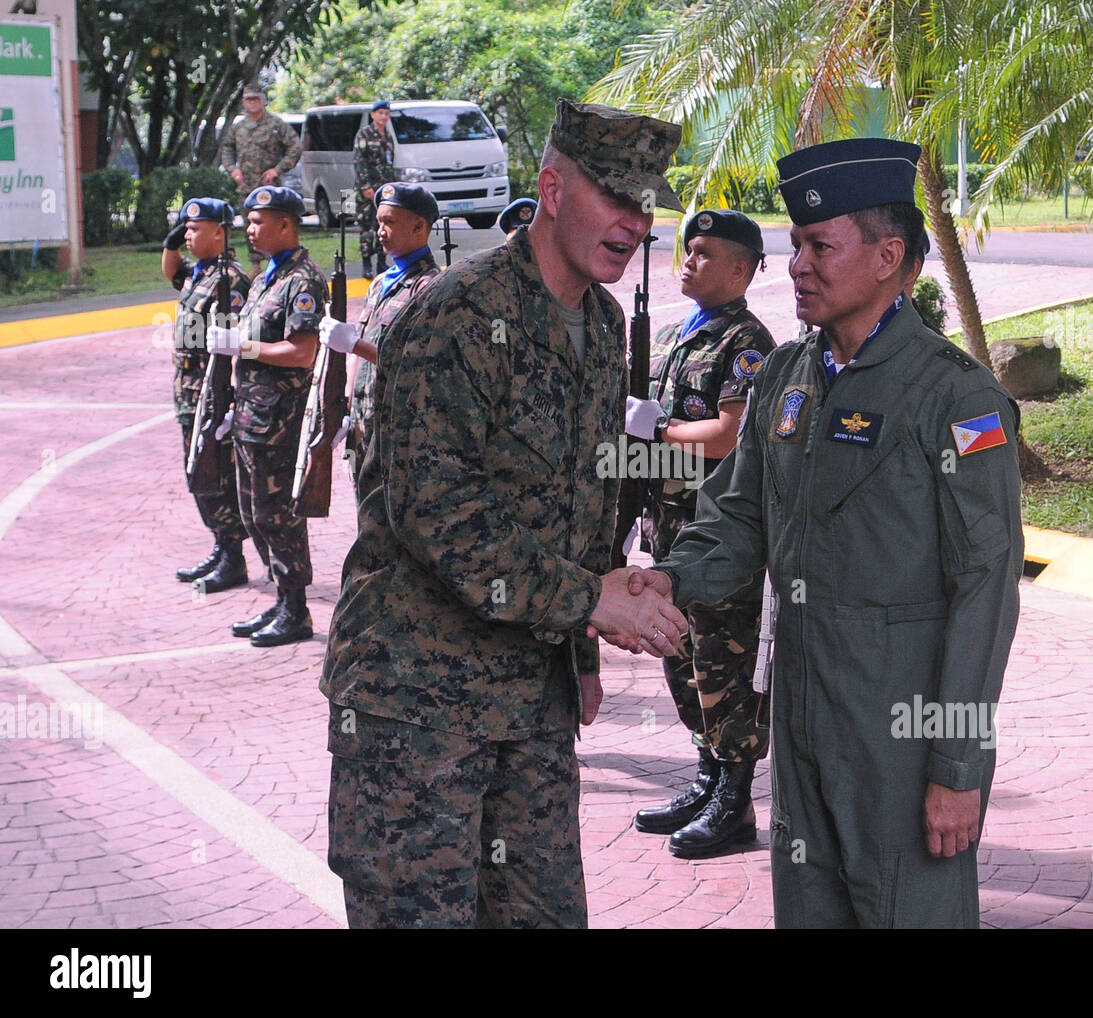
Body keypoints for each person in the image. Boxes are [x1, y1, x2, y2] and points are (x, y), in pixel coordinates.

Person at [319, 99, 690, 929]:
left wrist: (584, 648)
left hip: (530, 700)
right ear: (552, 189)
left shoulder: (600, 322)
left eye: (645, 205)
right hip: (417, 706)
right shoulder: (455, 315)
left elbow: (586, 494)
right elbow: (439, 514)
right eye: (617, 200)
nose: (635, 223)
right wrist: (586, 600)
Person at [634, 137, 1024, 927]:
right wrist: (666, 582)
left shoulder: (956, 398)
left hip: (902, 728)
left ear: (888, 257)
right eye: (796, 246)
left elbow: (986, 591)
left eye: (819, 246)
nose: (797, 266)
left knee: (907, 911)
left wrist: (957, 768)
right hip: (802, 709)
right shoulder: (787, 375)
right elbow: (738, 517)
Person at [624, 209, 776, 858]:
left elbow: (728, 435)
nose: (689, 260)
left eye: (706, 252)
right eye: (687, 249)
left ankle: (734, 803)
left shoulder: (746, 343)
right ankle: (707, 778)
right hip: (668, 530)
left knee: (721, 666)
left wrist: (653, 434)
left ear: (741, 270)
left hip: (716, 540)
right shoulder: (671, 337)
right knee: (680, 661)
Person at [206, 186, 327, 648]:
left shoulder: (303, 282)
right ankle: (281, 599)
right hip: (251, 416)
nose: (251, 229)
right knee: (253, 514)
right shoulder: (263, 279)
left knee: (279, 517)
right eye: (249, 221)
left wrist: (243, 346)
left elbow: (301, 353)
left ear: (286, 225)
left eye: (260, 222)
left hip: (280, 421)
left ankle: (297, 610)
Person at [317, 181, 442, 497]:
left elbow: (418, 362)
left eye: (390, 222)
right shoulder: (381, 284)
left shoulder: (430, 288)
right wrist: (346, 406)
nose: (380, 231)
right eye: (379, 223)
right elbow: (359, 357)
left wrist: (353, 344)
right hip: (364, 425)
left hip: (400, 434)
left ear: (418, 226)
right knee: (365, 520)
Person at [161, 197, 252, 592]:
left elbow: (238, 343)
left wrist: (229, 400)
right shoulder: (197, 275)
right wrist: (172, 242)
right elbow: (171, 272)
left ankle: (233, 557)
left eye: (196, 229)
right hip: (187, 394)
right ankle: (221, 545)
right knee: (196, 471)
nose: (189, 236)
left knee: (214, 475)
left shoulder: (229, 281)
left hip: (211, 395)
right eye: (187, 229)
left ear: (220, 231)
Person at [219, 84, 302, 270]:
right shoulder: (238, 128)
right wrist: (233, 169)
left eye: (256, 99)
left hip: (270, 187)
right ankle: (256, 266)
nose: (253, 103)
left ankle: (281, 262)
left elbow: (295, 147)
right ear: (243, 103)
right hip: (247, 186)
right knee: (251, 224)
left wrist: (277, 169)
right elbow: (227, 148)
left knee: (275, 224)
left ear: (263, 101)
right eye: (249, 99)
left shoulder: (276, 125)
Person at [353, 100, 396, 279]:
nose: (384, 117)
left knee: (383, 225)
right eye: (380, 113)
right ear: (372, 115)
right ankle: (366, 264)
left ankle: (381, 261)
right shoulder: (365, 134)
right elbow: (359, 162)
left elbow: (390, 163)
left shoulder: (388, 135)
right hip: (367, 189)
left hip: (384, 190)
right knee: (366, 227)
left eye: (386, 114)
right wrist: (366, 187)